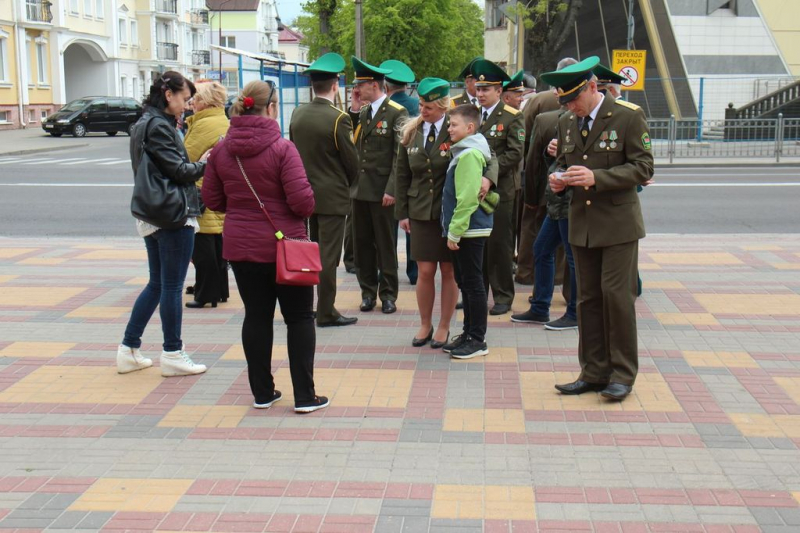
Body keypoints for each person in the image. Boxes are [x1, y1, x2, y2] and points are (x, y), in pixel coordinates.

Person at [202, 80, 329, 414]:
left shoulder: (221, 149)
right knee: (300, 318)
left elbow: (213, 199)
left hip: (241, 249)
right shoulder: (283, 149)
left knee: (256, 317)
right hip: (285, 248)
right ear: (271, 108)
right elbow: (302, 205)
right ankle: (305, 396)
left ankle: (262, 392)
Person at [544, 56, 654, 401]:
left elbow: (643, 167)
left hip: (618, 224)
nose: (570, 106)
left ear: (593, 87)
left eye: (574, 98)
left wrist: (598, 178)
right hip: (583, 224)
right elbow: (565, 161)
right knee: (587, 298)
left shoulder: (627, 116)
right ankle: (593, 372)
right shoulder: (566, 122)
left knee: (617, 298)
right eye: (565, 101)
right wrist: (559, 179)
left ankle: (622, 374)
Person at [117, 71, 208, 377]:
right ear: (169, 95)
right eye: (184, 99)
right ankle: (172, 353)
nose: (187, 105)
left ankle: (129, 349)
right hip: (172, 214)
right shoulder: (159, 126)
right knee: (170, 286)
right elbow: (180, 171)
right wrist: (207, 161)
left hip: (153, 214)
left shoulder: (144, 122)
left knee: (157, 283)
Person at [290, 52, 359, 328]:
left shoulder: (298, 113)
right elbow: (352, 163)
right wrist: (345, 184)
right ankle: (326, 310)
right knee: (328, 257)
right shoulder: (338, 118)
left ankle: (309, 305)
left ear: (312, 86)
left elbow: (293, 154)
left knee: (310, 253)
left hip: (304, 195)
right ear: (334, 86)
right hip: (332, 198)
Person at [395, 78, 459, 349]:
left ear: (443, 106)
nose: (423, 110)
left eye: (429, 107)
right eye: (421, 105)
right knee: (424, 270)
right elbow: (401, 174)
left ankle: (444, 326)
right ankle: (425, 324)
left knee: (448, 271)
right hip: (419, 210)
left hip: (448, 212)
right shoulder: (411, 132)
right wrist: (403, 213)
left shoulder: (456, 130)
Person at [511, 101, 577, 331]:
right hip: (557, 202)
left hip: (572, 203)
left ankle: (575, 313)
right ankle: (540, 308)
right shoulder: (565, 121)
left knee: (572, 257)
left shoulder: (591, 123)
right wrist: (553, 156)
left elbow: (589, 162)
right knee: (541, 249)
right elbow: (551, 162)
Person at [350, 56, 408, 314]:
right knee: (362, 244)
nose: (356, 90)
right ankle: (367, 292)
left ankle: (388, 294)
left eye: (360, 85)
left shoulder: (397, 112)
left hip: (382, 190)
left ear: (374, 85)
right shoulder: (363, 112)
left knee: (385, 244)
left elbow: (399, 155)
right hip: (361, 190)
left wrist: (392, 189)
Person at [517, 58, 578, 289]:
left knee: (532, 228)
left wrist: (530, 195)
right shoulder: (581, 104)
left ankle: (526, 273)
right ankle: (560, 279)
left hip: (543, 179)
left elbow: (527, 147)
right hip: (567, 184)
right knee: (563, 238)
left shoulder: (539, 101)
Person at [441, 104, 495, 360]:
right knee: (466, 282)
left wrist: (455, 231)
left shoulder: (470, 154)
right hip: (466, 229)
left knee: (473, 285)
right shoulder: (465, 150)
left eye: (454, 125)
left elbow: (467, 199)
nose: (449, 129)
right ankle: (467, 333)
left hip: (469, 230)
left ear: (470, 128)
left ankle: (477, 339)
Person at [473, 59, 525, 316]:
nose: (480, 94)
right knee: (476, 242)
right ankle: (477, 292)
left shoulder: (512, 116)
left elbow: (514, 153)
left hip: (500, 190)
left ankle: (503, 295)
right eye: (478, 89)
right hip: (473, 190)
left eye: (486, 89)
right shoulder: (470, 114)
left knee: (500, 245)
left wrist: (488, 176)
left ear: (499, 91)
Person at [183, 80, 230, 309]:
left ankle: (205, 294)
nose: (191, 103)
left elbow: (186, 157)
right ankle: (220, 290)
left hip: (202, 191)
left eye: (195, 99)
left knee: (203, 246)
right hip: (219, 189)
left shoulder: (204, 125)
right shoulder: (222, 119)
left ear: (204, 101)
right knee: (218, 244)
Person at [381, 59, 419, 286]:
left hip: (389, 176)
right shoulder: (416, 104)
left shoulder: (387, 108)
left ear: (386, 87)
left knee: (389, 227)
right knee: (411, 223)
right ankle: (414, 272)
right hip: (415, 174)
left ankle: (389, 266)